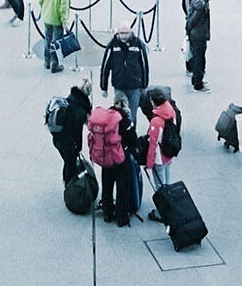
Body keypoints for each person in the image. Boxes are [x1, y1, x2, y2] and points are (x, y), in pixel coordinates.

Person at [87, 94, 133, 227]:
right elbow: (132, 139)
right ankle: (121, 217)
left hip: (104, 158)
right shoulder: (123, 118)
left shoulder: (105, 117)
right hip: (119, 158)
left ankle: (107, 212)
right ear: (125, 104)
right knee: (122, 187)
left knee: (107, 185)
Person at [100, 28, 150, 124]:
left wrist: (144, 85)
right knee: (119, 116)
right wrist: (103, 87)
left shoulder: (138, 44)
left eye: (125, 33)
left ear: (131, 33)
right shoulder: (113, 45)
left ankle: (131, 136)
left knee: (132, 116)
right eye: (121, 33)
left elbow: (145, 65)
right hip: (119, 86)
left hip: (134, 86)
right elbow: (105, 66)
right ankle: (119, 137)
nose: (123, 36)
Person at [142, 88, 179, 199]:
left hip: (160, 157)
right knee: (167, 182)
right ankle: (170, 202)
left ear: (153, 102)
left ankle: (163, 209)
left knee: (160, 186)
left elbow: (153, 144)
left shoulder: (156, 121)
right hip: (169, 154)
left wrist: (149, 163)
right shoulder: (171, 112)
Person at [53, 79, 91, 183]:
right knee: (70, 162)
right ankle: (70, 186)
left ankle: (67, 181)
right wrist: (78, 147)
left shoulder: (71, 98)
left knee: (67, 161)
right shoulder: (81, 111)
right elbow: (77, 132)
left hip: (57, 137)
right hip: (67, 141)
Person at [38, 0, 72, 73]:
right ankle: (54, 64)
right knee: (56, 42)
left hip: (47, 17)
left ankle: (46, 61)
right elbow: (63, 8)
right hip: (56, 20)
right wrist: (65, 24)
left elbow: (40, 0)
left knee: (47, 39)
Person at [185, 0, 211, 91]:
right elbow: (194, 19)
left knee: (198, 56)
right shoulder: (201, 3)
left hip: (197, 33)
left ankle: (196, 79)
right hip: (199, 34)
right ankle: (198, 83)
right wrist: (190, 28)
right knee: (199, 58)